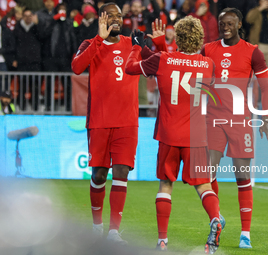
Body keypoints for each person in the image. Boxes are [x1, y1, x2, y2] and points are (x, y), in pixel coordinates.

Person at [125, 16, 222, 254]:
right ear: (201, 39)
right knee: (203, 185)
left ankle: (162, 241)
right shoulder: (209, 64)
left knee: (166, 184)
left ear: (177, 37)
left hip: (169, 134)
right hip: (197, 136)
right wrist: (158, 48)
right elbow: (179, 66)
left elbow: (132, 67)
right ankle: (215, 218)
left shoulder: (163, 59)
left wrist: (137, 46)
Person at [71, 2, 159, 245]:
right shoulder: (89, 44)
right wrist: (98, 40)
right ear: (101, 19)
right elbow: (77, 67)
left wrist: (159, 45)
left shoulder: (133, 45)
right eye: (111, 16)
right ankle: (96, 227)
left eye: (119, 16)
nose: (116, 20)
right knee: (99, 175)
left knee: (122, 172)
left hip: (127, 122)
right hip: (99, 121)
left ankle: (113, 232)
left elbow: (157, 66)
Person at [200, 8, 268, 249]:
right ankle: (217, 217)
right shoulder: (208, 49)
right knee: (207, 175)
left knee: (242, 177)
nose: (225, 27)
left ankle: (245, 234)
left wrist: (265, 117)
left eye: (230, 23)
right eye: (222, 23)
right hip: (213, 120)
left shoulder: (253, 52)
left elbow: (266, 87)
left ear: (239, 24)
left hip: (240, 121)